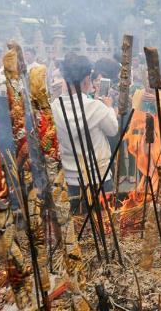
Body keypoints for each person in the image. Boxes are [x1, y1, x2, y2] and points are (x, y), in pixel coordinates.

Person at [51, 53, 118, 213]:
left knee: (77, 227)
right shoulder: (96, 106)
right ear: (87, 80)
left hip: (69, 179)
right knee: (105, 227)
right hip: (98, 178)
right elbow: (113, 129)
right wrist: (108, 107)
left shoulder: (54, 106)